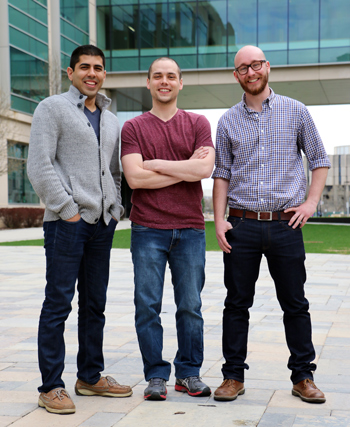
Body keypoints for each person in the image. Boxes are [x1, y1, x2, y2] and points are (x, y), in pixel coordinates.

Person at [212, 45, 331, 404]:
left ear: (268, 67)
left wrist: (310, 202)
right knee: (236, 304)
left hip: (285, 226)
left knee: (295, 303)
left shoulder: (296, 112)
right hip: (242, 225)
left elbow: (319, 159)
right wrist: (219, 220)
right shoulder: (227, 121)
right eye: (243, 68)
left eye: (256, 65)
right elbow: (221, 174)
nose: (251, 72)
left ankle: (303, 376)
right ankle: (233, 376)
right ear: (236, 76)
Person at [27, 45, 132, 415]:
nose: (92, 73)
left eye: (98, 68)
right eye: (84, 67)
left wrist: (115, 209)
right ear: (70, 72)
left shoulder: (112, 118)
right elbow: (39, 167)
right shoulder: (52, 108)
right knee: (58, 304)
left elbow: (115, 173)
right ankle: (50, 386)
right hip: (66, 225)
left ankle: (89, 376)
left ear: (105, 74)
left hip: (102, 224)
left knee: (94, 305)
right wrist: (69, 209)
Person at [121, 57, 215, 401]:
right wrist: (186, 168)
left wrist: (158, 164)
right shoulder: (132, 128)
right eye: (157, 76)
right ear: (148, 83)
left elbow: (204, 170)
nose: (164, 81)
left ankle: (188, 373)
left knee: (190, 305)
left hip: (190, 229)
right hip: (148, 228)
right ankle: (156, 376)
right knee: (147, 305)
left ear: (180, 83)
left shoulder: (197, 123)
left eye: (171, 76)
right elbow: (134, 177)